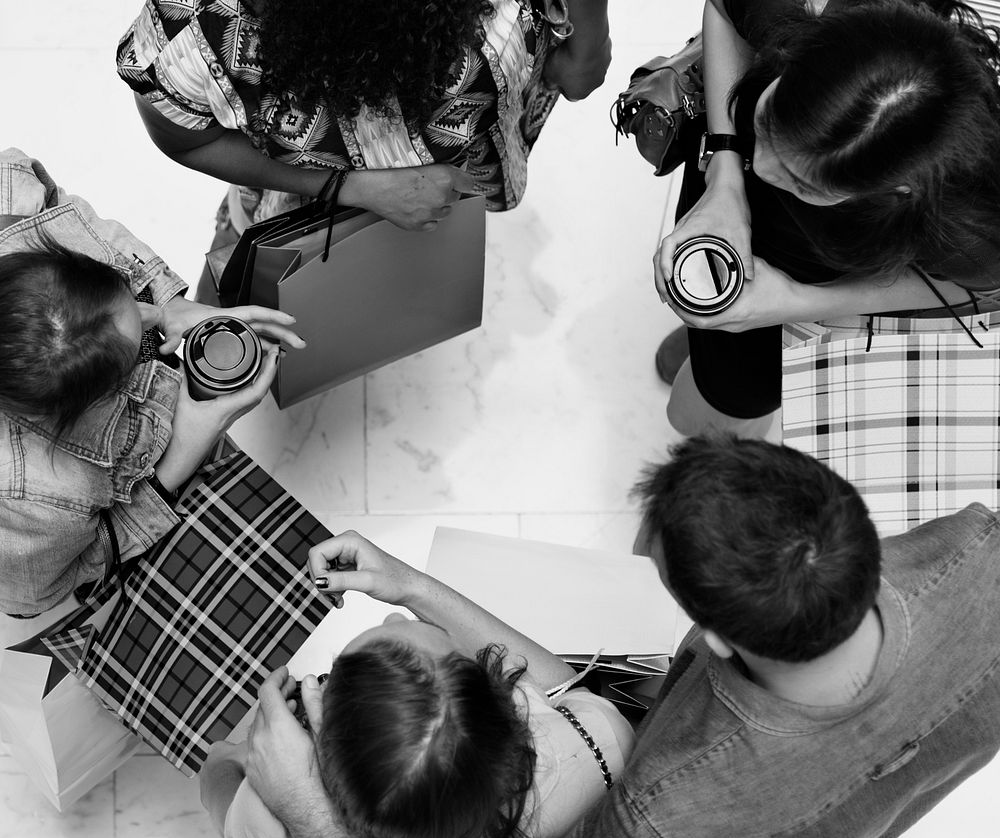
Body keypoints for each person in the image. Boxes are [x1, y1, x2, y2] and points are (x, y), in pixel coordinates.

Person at [244, 434, 1000, 838]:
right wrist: (409, 585)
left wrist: (313, 821)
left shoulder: (671, 805)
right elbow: (582, 703)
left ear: (715, 641)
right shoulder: (977, 548)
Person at [199, 550, 635, 838]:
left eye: (336, 673)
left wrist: (240, 757)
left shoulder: (272, 810)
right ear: (505, 706)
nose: (393, 620)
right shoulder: (600, 743)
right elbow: (562, 687)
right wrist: (412, 586)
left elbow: (217, 784)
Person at [652, 0, 1000, 441]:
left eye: (804, 184)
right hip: (726, 184)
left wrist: (799, 302)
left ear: (897, 191)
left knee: (705, 421)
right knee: (713, 321)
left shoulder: (965, 217)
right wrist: (724, 171)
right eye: (766, 121)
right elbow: (723, 9)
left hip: (824, 272)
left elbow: (981, 285)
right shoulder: (815, 37)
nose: (761, 167)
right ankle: (708, 338)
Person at [116, 0, 611, 297]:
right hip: (297, 203)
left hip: (462, 170)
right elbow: (181, 133)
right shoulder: (201, 20)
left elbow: (578, 65)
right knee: (236, 308)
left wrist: (586, 38)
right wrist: (353, 187)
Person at [0, 147, 303, 617]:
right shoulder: (36, 501)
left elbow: (67, 213)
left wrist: (167, 304)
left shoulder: (10, 198)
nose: (151, 330)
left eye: (123, 294)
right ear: (73, 407)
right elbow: (37, 595)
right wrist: (183, 450)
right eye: (135, 347)